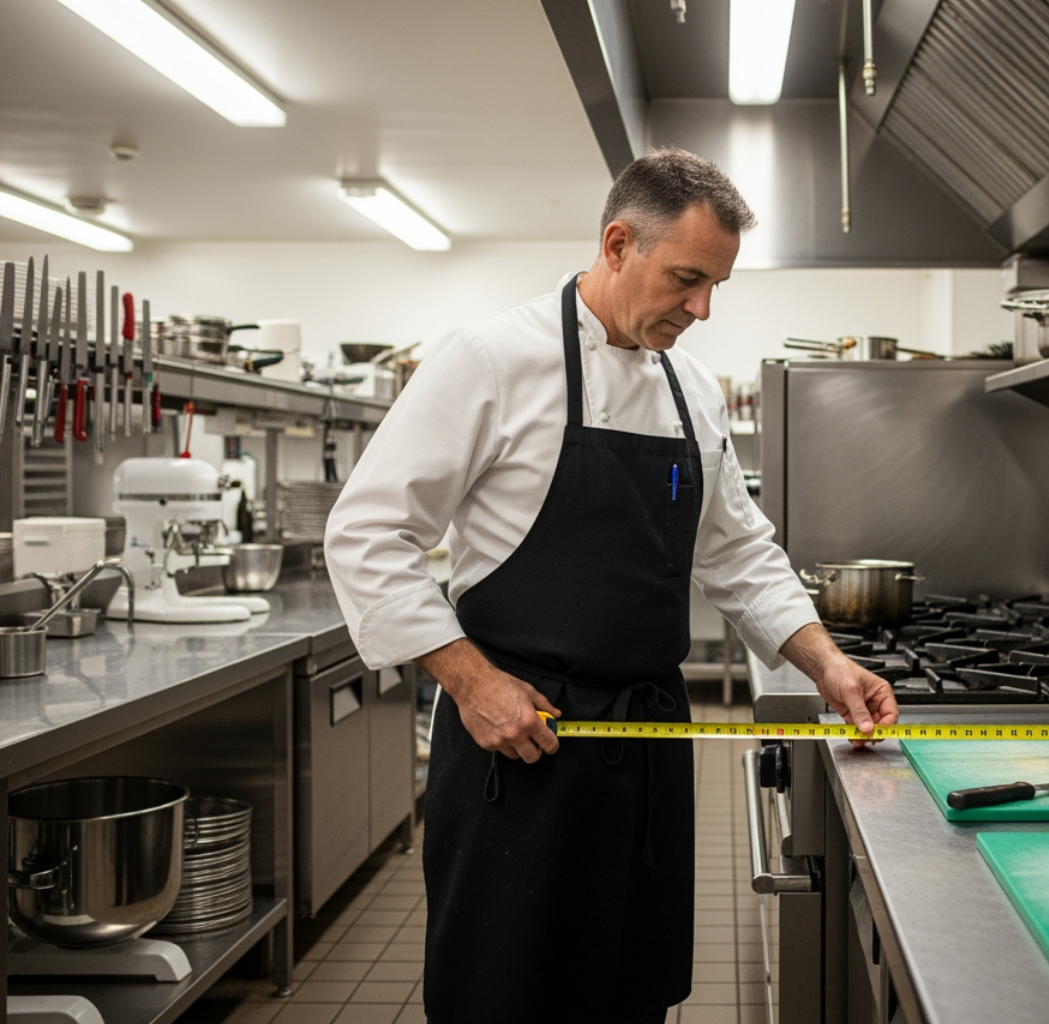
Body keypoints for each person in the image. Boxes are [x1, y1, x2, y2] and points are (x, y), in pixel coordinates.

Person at [324, 147, 897, 1023]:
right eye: (686, 278)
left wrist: (825, 663)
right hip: (519, 744)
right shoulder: (490, 361)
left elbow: (739, 549)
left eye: (717, 286)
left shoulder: (691, 390)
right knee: (504, 995)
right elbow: (368, 533)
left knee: (629, 992)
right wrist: (473, 685)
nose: (702, 309)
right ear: (619, 243)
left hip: (649, 742)